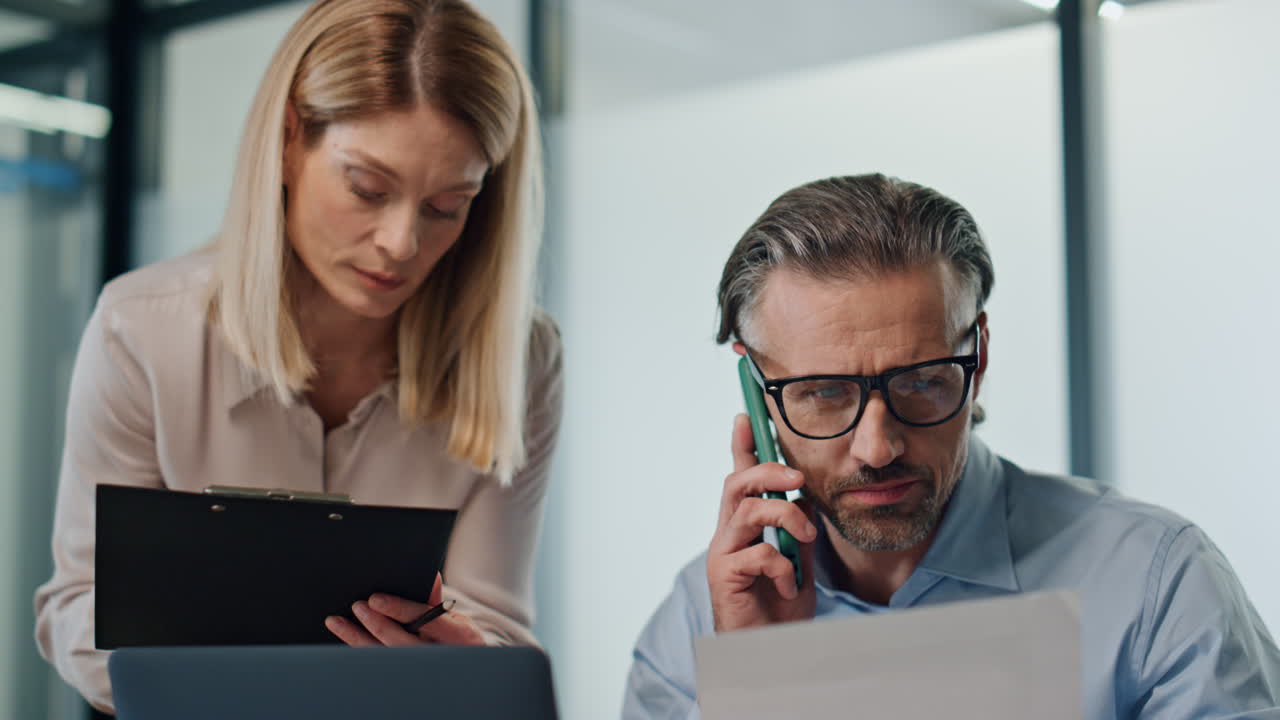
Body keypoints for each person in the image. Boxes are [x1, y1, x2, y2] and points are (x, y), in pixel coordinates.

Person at [33, 0, 561, 713]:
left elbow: (496, 626)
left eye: (447, 206)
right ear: (287, 141)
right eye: (367, 188)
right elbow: (76, 611)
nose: (401, 243)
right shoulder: (142, 333)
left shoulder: (521, 361)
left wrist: (471, 662)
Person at [622, 174, 1280, 719]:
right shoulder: (701, 621)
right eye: (823, 393)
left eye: (922, 382)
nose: (877, 447)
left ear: (979, 353)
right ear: (758, 392)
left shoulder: (1155, 585)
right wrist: (758, 689)